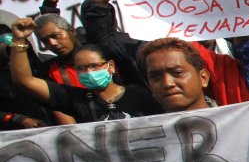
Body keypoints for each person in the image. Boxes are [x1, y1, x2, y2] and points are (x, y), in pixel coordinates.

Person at [7, 23, 160, 122]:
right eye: (81, 68)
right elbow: (24, 80)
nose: (88, 72)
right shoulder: (74, 99)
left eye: (94, 66)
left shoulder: (139, 95)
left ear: (111, 66)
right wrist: (19, 40)